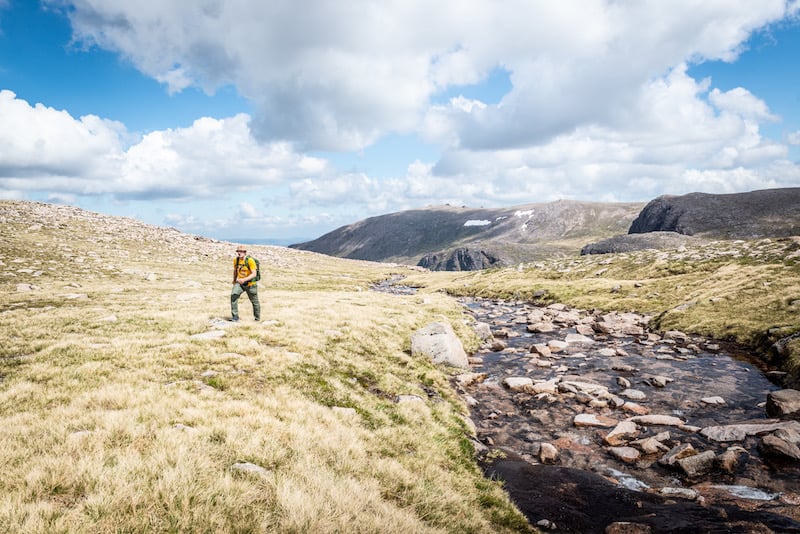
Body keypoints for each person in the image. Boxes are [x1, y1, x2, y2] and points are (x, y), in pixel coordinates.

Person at [231, 245, 260, 321]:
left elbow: (254, 274)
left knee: (254, 301)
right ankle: (235, 317)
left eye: (241, 251)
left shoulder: (250, 261)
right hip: (240, 283)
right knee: (233, 295)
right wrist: (234, 280)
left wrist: (244, 279)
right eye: (238, 251)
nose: (239, 253)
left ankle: (257, 319)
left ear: (245, 252)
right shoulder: (236, 260)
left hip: (251, 284)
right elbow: (235, 271)